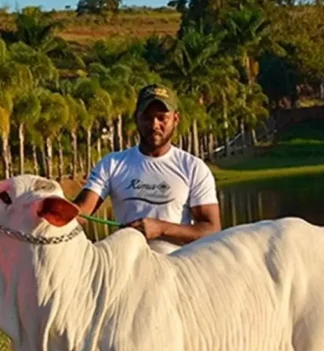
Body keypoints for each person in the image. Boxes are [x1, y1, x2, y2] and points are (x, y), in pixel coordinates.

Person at [74, 84, 222, 254]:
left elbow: (212, 230)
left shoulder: (193, 168)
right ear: (136, 118)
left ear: (175, 119)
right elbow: (80, 212)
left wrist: (161, 228)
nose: (154, 125)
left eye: (162, 118)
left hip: (177, 270)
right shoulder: (112, 164)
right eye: (147, 117)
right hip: (126, 268)